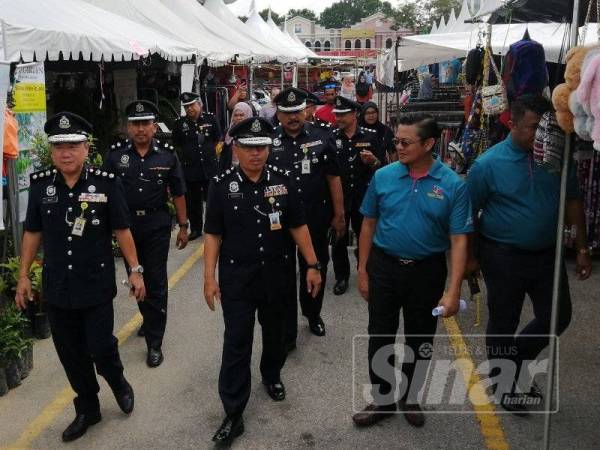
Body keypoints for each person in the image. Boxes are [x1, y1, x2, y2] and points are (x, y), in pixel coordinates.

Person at [15, 112, 146, 442]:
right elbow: (32, 232)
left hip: (96, 285)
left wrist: (135, 270)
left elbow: (122, 229)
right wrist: (23, 276)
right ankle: (88, 407)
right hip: (58, 288)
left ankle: (117, 382)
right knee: (71, 355)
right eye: (59, 147)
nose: (66, 152)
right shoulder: (42, 184)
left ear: (86, 148)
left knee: (101, 347)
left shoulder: (105, 182)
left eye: (73, 145)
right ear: (52, 152)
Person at [466, 95, 592, 415]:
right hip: (502, 255)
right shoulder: (487, 165)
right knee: (503, 320)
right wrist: (470, 257)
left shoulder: (555, 157)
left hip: (547, 254)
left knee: (557, 316)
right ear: (512, 124)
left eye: (545, 128)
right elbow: (468, 212)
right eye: (534, 128)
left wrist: (582, 247)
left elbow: (574, 200)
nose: (541, 135)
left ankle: (514, 361)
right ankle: (505, 385)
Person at [203, 117, 322, 446]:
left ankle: (271, 375)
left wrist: (312, 263)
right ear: (236, 149)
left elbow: (298, 225)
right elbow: (213, 234)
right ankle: (233, 411)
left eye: (262, 147)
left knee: (276, 335)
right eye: (249, 147)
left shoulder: (284, 181)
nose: (256, 154)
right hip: (237, 278)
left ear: (269, 148)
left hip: (277, 276)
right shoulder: (221, 184)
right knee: (236, 343)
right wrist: (208, 278)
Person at [353, 113, 473, 428]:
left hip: (427, 272)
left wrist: (453, 287)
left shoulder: (452, 185)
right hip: (384, 267)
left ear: (429, 144)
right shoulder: (383, 176)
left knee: (419, 337)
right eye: (396, 141)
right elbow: (368, 224)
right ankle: (382, 399)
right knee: (380, 335)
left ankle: (410, 395)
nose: (398, 147)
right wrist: (363, 271)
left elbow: (458, 239)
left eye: (406, 142)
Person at [103, 100, 189, 368]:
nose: (140, 129)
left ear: (154, 126)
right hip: (125, 226)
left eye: (145, 123)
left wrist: (184, 226)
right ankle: (148, 317)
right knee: (135, 276)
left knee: (156, 280)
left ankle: (155, 342)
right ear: (128, 127)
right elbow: (103, 191)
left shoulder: (167, 154)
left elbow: (178, 191)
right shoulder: (115, 156)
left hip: (156, 225)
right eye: (135, 124)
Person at [270, 87, 345, 343]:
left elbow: (333, 177)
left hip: (315, 217)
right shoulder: (268, 140)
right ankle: (288, 329)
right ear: (278, 114)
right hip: (278, 222)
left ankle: (313, 314)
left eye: (297, 112)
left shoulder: (323, 136)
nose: (293, 117)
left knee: (315, 266)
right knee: (282, 277)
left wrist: (339, 214)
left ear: (306, 110)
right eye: (287, 113)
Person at [331, 96, 385, 296]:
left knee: (367, 235)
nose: (338, 118)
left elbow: (383, 167)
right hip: (340, 198)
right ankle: (341, 276)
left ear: (354, 115)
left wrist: (373, 161)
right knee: (339, 238)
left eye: (343, 114)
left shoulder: (370, 137)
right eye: (337, 114)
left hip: (364, 197)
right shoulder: (332, 138)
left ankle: (367, 271)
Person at [172, 92, 222, 241]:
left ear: (199, 104)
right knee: (193, 202)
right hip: (190, 169)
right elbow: (177, 145)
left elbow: (216, 139)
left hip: (209, 168)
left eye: (192, 105)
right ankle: (195, 229)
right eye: (186, 107)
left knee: (213, 199)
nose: (189, 109)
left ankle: (214, 227)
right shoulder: (180, 124)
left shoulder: (210, 119)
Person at [219, 102, 254, 172]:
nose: (238, 118)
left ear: (247, 115)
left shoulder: (254, 133)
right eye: (236, 115)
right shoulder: (228, 132)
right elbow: (223, 154)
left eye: (241, 115)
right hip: (230, 170)